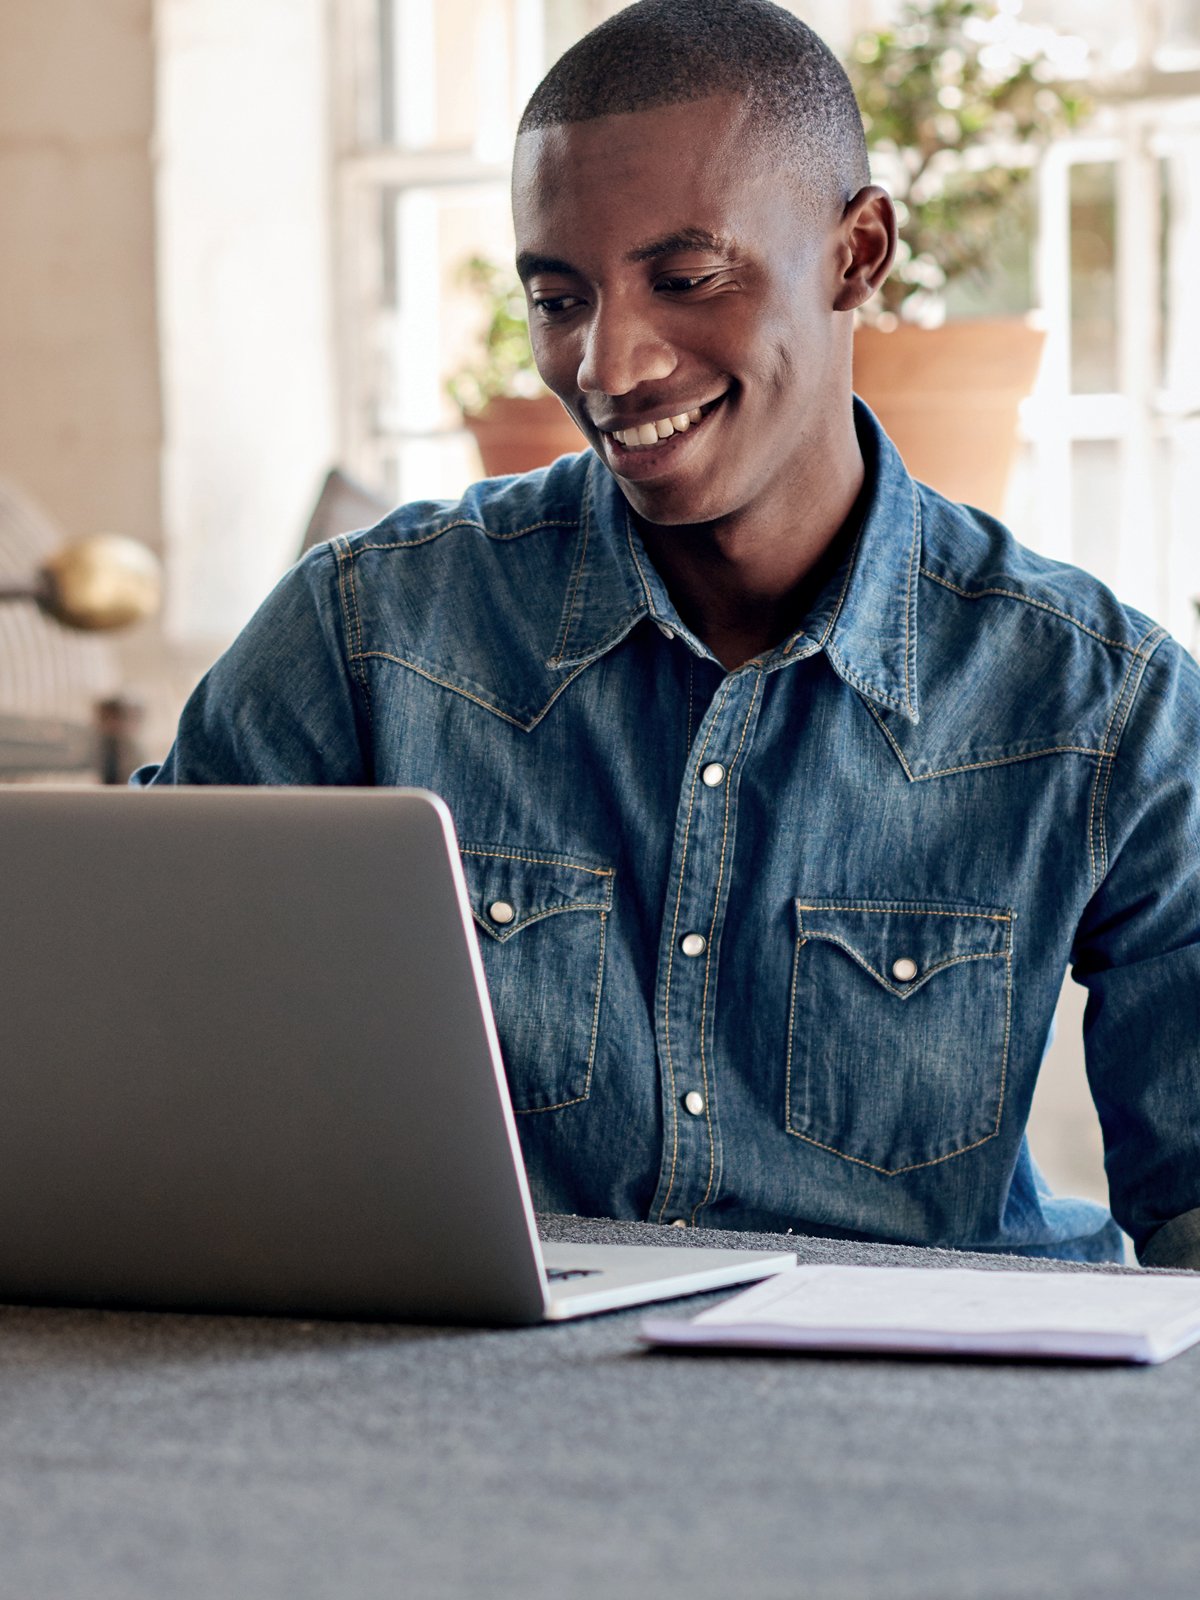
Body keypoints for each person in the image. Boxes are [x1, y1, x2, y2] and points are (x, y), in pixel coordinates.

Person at [135, 0, 1200, 1270]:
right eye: (557, 296)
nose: (608, 363)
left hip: (931, 1417)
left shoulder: (1102, 702)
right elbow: (138, 1030)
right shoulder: (369, 631)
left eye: (686, 280)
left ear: (858, 253)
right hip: (476, 1411)